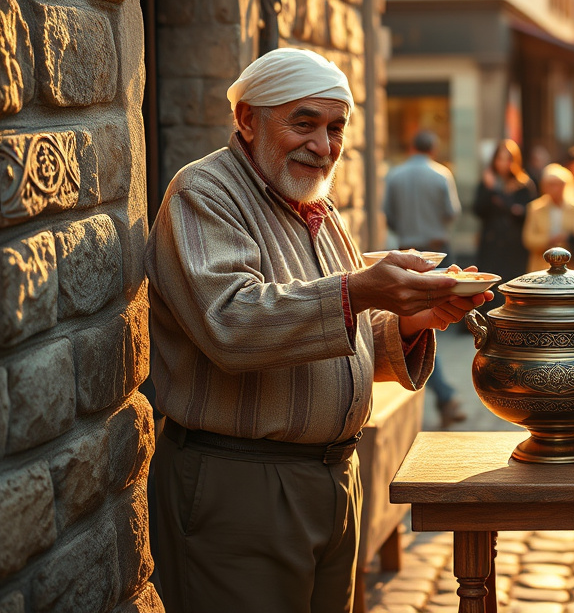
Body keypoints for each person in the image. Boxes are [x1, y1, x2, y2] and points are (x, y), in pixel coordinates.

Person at [145, 48, 491, 613]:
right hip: (241, 486)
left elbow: (334, 336)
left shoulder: (316, 208)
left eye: (335, 128)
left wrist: (407, 322)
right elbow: (232, 323)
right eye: (303, 123)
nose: (323, 145)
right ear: (248, 120)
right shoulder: (202, 194)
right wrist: (360, 291)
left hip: (333, 480)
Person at [382, 129, 466, 427]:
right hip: (437, 253)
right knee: (427, 322)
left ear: (409, 147)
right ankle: (445, 395)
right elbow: (451, 211)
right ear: (433, 148)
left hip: (407, 255)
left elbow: (388, 215)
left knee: (416, 321)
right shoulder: (441, 174)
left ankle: (443, 396)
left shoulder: (394, 175)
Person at [472, 139, 536, 307]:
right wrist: (489, 189)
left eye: (508, 159)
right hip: (491, 243)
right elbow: (478, 209)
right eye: (499, 159)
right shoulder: (487, 181)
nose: (503, 163)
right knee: (490, 285)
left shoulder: (523, 184)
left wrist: (497, 193)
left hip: (514, 245)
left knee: (512, 286)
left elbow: (525, 213)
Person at [522, 163, 574, 272]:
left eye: (559, 184)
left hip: (572, 268)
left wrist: (567, 238)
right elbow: (529, 238)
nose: (555, 188)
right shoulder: (535, 208)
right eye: (551, 184)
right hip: (542, 267)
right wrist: (549, 240)